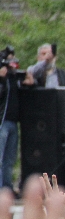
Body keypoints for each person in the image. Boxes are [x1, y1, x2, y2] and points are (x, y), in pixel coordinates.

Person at [25, 44, 65, 126]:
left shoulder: (63, 74)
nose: (47, 56)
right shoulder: (32, 71)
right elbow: (33, 72)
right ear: (38, 57)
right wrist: (45, 61)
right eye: (43, 54)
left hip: (59, 118)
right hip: (39, 120)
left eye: (50, 54)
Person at [0, 46, 20, 191]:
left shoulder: (15, 78)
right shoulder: (3, 80)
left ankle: (7, 188)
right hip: (2, 122)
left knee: (9, 159)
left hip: (13, 122)